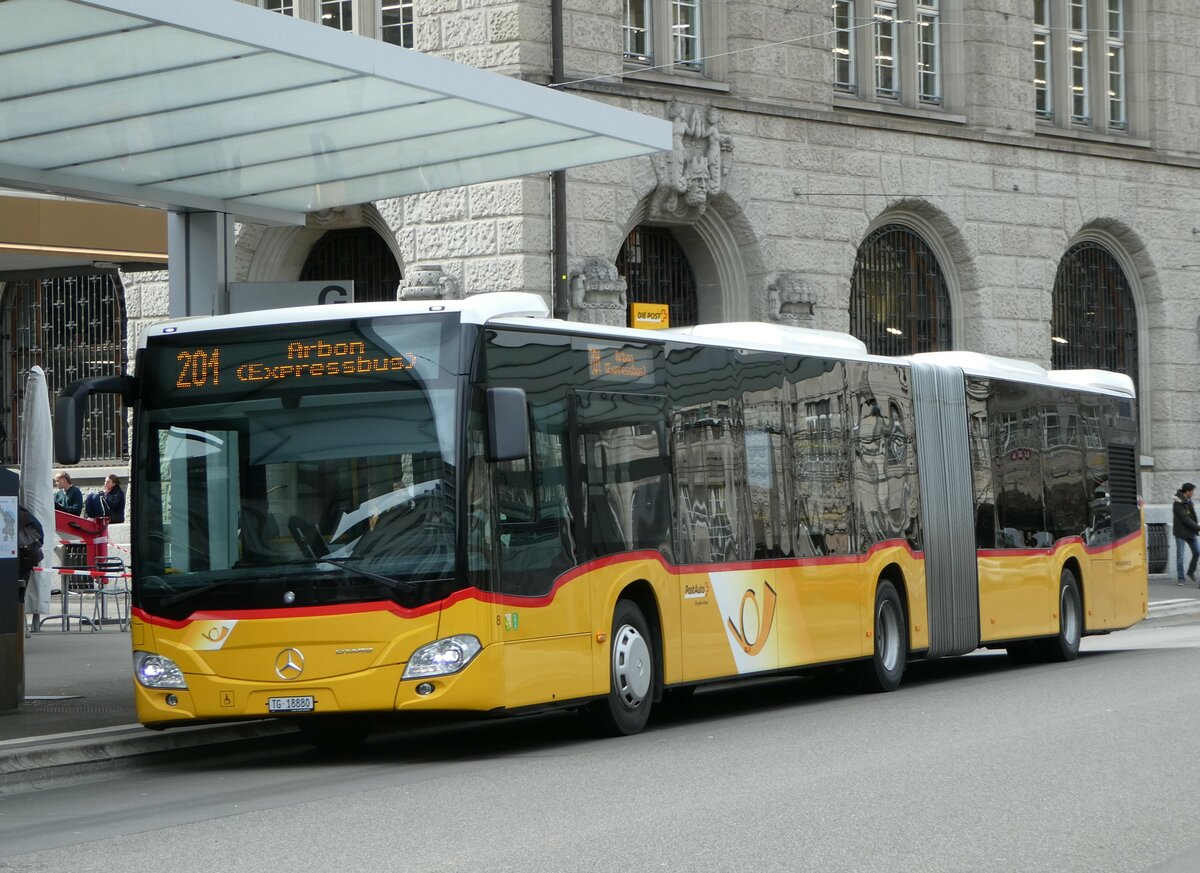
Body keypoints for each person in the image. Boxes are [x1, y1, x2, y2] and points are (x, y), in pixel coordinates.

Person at [1172, 482, 1200, 585]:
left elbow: (1192, 516)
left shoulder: (1188, 501)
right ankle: (1181, 578)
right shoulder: (1177, 502)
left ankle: (1190, 572)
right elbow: (1185, 519)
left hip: (1190, 531)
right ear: (1187, 491)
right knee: (1180, 556)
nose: (1193, 493)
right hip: (1181, 532)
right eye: (1192, 491)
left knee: (1197, 552)